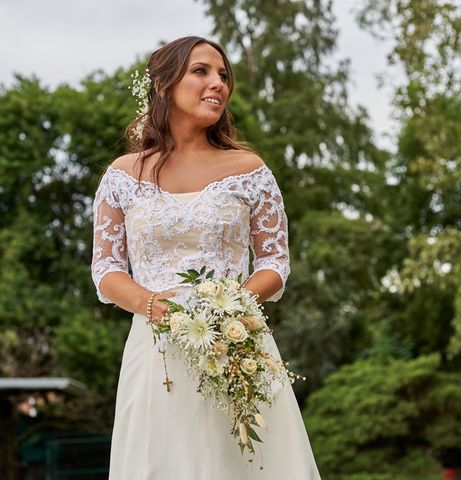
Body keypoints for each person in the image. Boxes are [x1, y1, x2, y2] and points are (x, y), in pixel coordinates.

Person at [91, 35, 321, 479]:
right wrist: (153, 306)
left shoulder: (249, 170)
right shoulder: (122, 175)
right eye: (201, 71)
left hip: (236, 344)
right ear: (163, 84)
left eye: (223, 75)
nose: (217, 82)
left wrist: (229, 307)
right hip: (155, 352)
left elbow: (275, 262)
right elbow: (106, 270)